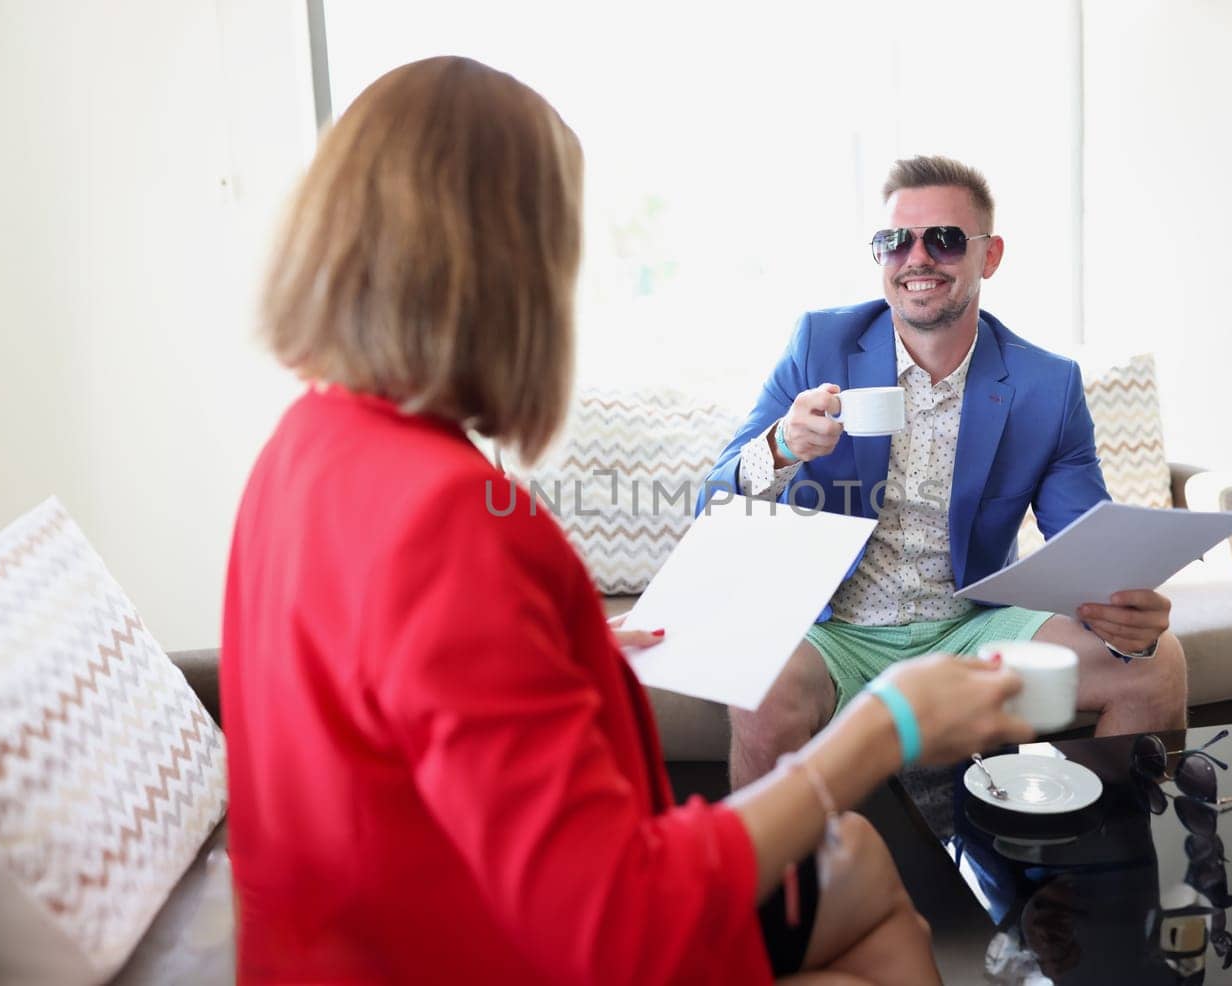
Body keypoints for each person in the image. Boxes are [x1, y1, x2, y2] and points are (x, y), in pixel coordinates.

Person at [221, 58, 1035, 985]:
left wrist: (564, 650)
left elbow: (386, 691)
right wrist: (883, 728)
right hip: (476, 943)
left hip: (373, 928)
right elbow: (614, 924)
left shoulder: (305, 442)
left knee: (867, 886)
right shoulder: (448, 523)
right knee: (866, 894)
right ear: (507, 268)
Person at [702, 155, 1188, 788]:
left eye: (945, 239)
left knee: (1157, 663)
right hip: (835, 631)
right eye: (895, 241)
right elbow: (713, 498)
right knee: (758, 682)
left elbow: (1085, 547)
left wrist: (1129, 611)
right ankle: (769, 887)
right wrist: (784, 445)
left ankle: (1104, 873)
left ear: (990, 256)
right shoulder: (820, 343)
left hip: (974, 626)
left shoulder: (1046, 384)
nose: (917, 258)